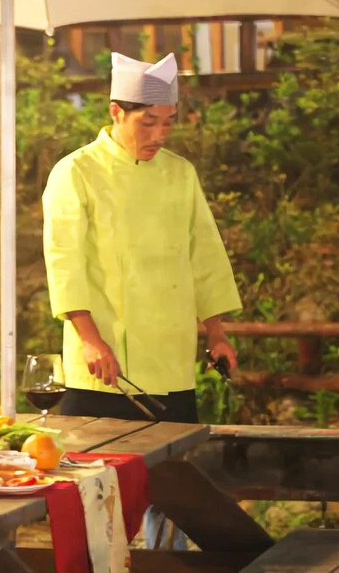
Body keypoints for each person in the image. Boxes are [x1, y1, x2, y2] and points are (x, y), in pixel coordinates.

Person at [41, 51, 242, 548]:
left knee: (176, 494)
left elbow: (204, 253)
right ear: (116, 112)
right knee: (94, 491)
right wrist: (89, 339)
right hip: (102, 365)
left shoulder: (180, 173)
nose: (159, 134)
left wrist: (216, 331)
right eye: (147, 122)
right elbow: (64, 261)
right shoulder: (75, 172)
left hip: (169, 360)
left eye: (168, 123)